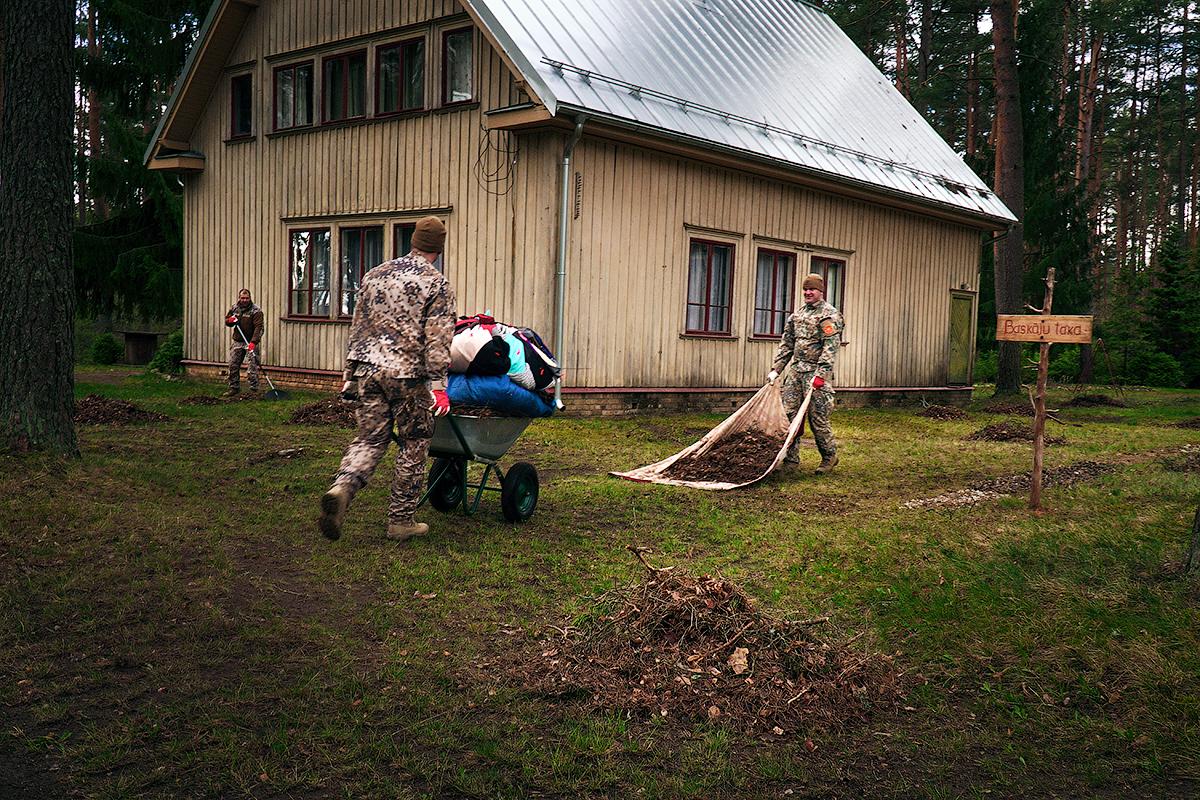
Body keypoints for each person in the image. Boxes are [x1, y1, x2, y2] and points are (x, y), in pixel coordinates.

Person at [318, 216, 456, 543]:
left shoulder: (374, 275)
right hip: (408, 376)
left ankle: (342, 488)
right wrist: (439, 386)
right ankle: (401, 520)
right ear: (439, 247)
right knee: (414, 443)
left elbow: (358, 326)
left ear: (413, 241)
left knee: (369, 439)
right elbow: (438, 338)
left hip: (368, 370)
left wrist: (350, 375)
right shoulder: (436, 284)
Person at [767, 273, 844, 473]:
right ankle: (790, 459)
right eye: (806, 289)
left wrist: (821, 375)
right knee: (789, 416)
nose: (808, 293)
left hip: (815, 374)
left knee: (818, 418)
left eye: (812, 289)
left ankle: (829, 457)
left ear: (821, 291)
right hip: (796, 372)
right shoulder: (797, 315)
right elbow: (787, 344)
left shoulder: (829, 315)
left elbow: (830, 347)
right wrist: (776, 369)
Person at [224, 288, 264, 396]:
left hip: (250, 342)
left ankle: (254, 390)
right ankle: (234, 388)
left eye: (246, 298)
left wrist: (253, 342)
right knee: (233, 365)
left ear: (250, 298)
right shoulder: (234, 308)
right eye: (242, 298)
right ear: (239, 298)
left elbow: (259, 328)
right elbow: (227, 320)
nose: (244, 300)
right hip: (238, 341)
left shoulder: (256, 311)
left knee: (252, 367)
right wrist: (229, 321)